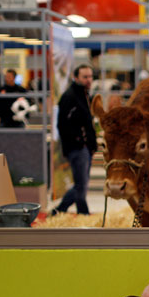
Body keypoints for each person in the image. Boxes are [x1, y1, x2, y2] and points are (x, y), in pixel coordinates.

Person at [52, 64, 97, 216]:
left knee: (81, 184)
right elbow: (62, 125)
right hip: (77, 148)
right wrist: (79, 142)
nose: (89, 80)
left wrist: (92, 144)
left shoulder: (85, 95)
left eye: (90, 76)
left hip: (85, 147)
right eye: (85, 77)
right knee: (81, 185)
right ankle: (82, 214)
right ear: (76, 77)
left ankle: (60, 210)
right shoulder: (69, 97)